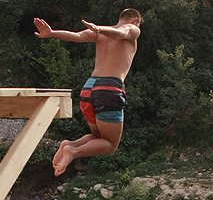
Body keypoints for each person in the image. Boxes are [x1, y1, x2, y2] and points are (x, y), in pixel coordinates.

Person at [33, 9, 142, 176]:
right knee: (111, 145)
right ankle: (73, 153)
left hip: (89, 88)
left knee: (98, 137)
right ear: (135, 20)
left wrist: (52, 33)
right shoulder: (131, 29)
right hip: (109, 87)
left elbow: (76, 36)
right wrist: (98, 29)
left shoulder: (100, 32)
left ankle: (70, 145)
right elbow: (122, 32)